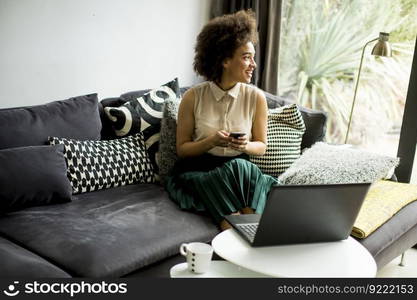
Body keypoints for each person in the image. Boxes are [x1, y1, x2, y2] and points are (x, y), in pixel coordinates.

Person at [165, 10, 277, 230]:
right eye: (246, 57)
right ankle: (242, 234)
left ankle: (250, 233)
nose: (253, 64)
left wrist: (245, 145)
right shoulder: (193, 97)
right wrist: (211, 142)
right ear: (225, 60)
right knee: (233, 171)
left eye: (253, 57)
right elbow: (183, 150)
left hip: (239, 172)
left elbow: (261, 146)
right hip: (200, 171)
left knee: (241, 167)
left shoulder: (256, 97)